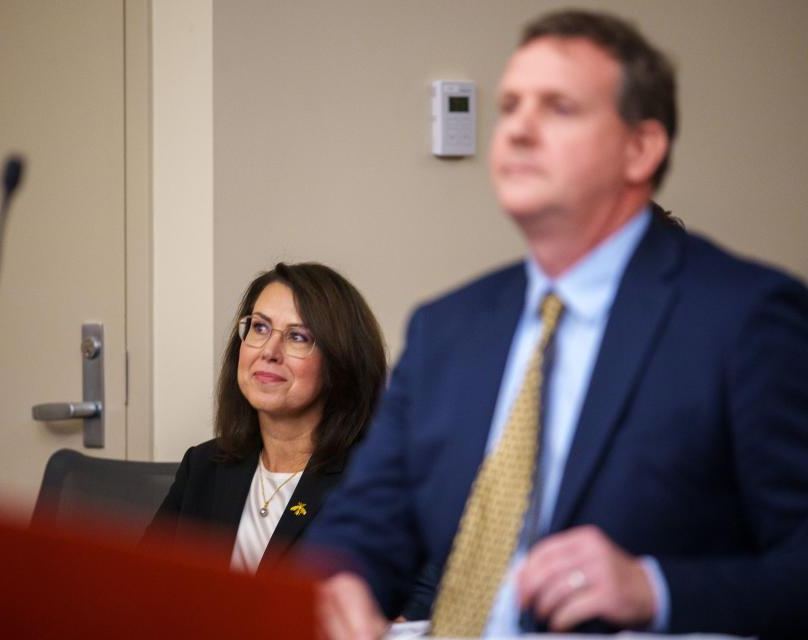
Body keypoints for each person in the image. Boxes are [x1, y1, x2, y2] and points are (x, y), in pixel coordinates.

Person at [304, 9, 808, 639]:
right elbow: (364, 524)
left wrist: (655, 587)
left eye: (559, 107)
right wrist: (344, 579)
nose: (517, 129)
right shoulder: (446, 328)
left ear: (640, 148)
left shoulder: (743, 316)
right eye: (510, 106)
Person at [144, 262, 386, 574]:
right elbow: (144, 589)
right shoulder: (203, 467)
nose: (269, 351)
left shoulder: (372, 483)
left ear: (340, 362)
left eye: (297, 336)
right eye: (259, 328)